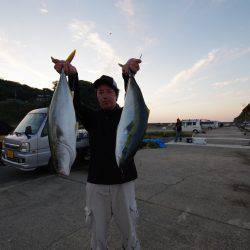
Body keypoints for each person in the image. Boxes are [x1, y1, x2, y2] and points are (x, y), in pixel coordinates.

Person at [52, 57, 142, 250]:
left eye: (109, 91)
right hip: (96, 184)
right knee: (97, 235)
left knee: (129, 233)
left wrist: (128, 76)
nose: (104, 96)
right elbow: (74, 106)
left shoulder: (125, 116)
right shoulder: (92, 118)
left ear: (117, 95)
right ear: (96, 96)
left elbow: (134, 104)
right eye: (100, 92)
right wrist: (72, 75)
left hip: (123, 183)